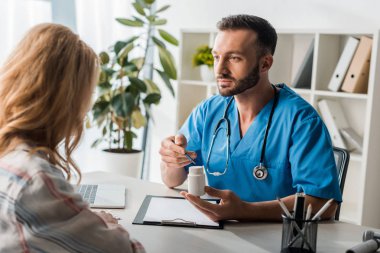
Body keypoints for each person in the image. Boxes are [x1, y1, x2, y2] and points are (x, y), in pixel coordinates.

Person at [159, 15, 342, 222]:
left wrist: (245, 211)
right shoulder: (209, 110)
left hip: (279, 237)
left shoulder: (301, 120)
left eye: (234, 58)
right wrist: (171, 159)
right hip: (219, 230)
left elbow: (324, 205)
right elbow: (172, 180)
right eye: (217, 57)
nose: (220, 70)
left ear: (265, 64)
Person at [0, 23, 144, 252]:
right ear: (67, 100)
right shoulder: (35, 179)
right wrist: (103, 223)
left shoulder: (8, 158)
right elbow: (128, 250)